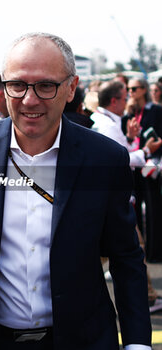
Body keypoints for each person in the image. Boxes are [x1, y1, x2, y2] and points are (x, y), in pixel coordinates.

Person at [0, 33, 151, 350]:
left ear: (71, 87)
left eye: (46, 86)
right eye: (17, 85)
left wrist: (137, 344)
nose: (29, 100)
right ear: (3, 87)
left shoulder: (104, 159)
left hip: (81, 340)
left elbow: (126, 256)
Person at [91, 80, 162, 313]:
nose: (127, 101)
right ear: (114, 101)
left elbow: (120, 153)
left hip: (108, 197)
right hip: (113, 198)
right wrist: (145, 151)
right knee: (133, 250)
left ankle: (149, 296)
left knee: (120, 251)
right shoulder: (109, 126)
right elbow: (120, 160)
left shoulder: (105, 121)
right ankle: (148, 298)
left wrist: (131, 141)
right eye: (124, 96)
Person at [124, 78, 162, 262]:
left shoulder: (155, 110)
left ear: (144, 90)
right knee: (134, 210)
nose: (131, 92)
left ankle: (155, 252)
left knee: (153, 208)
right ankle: (139, 251)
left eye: (134, 88)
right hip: (133, 164)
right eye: (129, 89)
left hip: (151, 164)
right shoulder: (129, 112)